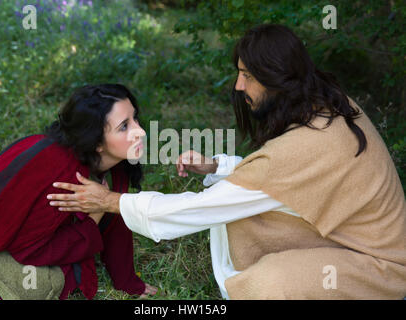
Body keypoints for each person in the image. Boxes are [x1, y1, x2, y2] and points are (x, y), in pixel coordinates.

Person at [47, 25, 406, 299]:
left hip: (383, 268)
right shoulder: (328, 102)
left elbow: (201, 209)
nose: (238, 85)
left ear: (277, 78)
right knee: (242, 216)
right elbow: (288, 176)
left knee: (269, 284)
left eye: (247, 76)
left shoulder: (309, 144)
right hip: (353, 237)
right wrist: (217, 167)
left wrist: (110, 201)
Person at [0, 84, 157, 300]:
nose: (141, 131)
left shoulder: (115, 163)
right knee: (36, 285)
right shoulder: (61, 180)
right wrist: (92, 220)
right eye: (124, 126)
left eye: (134, 118)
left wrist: (127, 281)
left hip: (30, 233)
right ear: (97, 142)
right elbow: (29, 250)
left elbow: (117, 217)